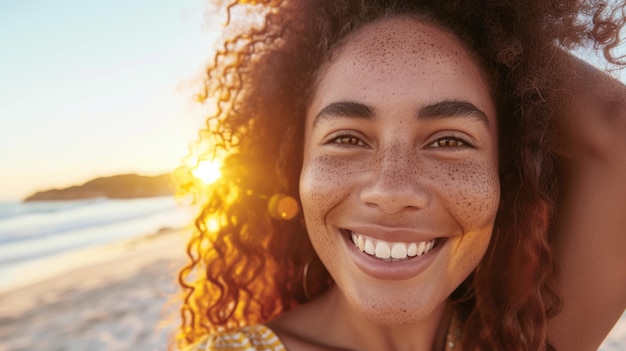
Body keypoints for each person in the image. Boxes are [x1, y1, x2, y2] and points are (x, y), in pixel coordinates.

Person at [174, 0, 626, 350]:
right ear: (296, 169)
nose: (392, 191)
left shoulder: (518, 340)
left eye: (450, 141)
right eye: (348, 138)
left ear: (502, 175)